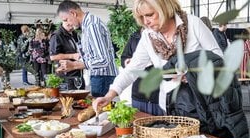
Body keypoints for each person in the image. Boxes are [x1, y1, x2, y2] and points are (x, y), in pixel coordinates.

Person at [93, 0, 222, 109]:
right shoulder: (148, 36)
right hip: (171, 105)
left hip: (204, 101)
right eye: (141, 17)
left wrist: (192, 74)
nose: (145, 22)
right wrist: (109, 95)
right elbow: (132, 69)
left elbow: (218, 59)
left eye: (149, 15)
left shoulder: (193, 24)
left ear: (164, 8)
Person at [56, 0, 118, 97]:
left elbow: (103, 60)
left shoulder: (92, 26)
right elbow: (91, 56)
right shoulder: (86, 26)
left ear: (73, 13)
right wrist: (69, 66)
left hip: (103, 77)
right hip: (99, 76)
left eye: (66, 20)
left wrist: (74, 65)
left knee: (101, 110)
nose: (67, 24)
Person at [120, 29, 163, 115]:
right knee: (139, 123)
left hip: (158, 93)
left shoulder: (162, 36)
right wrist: (127, 62)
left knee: (160, 125)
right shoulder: (134, 36)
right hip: (138, 92)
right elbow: (124, 57)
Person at [49, 21, 84, 90]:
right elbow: (53, 57)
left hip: (78, 74)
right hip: (66, 77)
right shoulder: (57, 35)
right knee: (68, 99)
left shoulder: (74, 33)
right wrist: (72, 56)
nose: (73, 26)